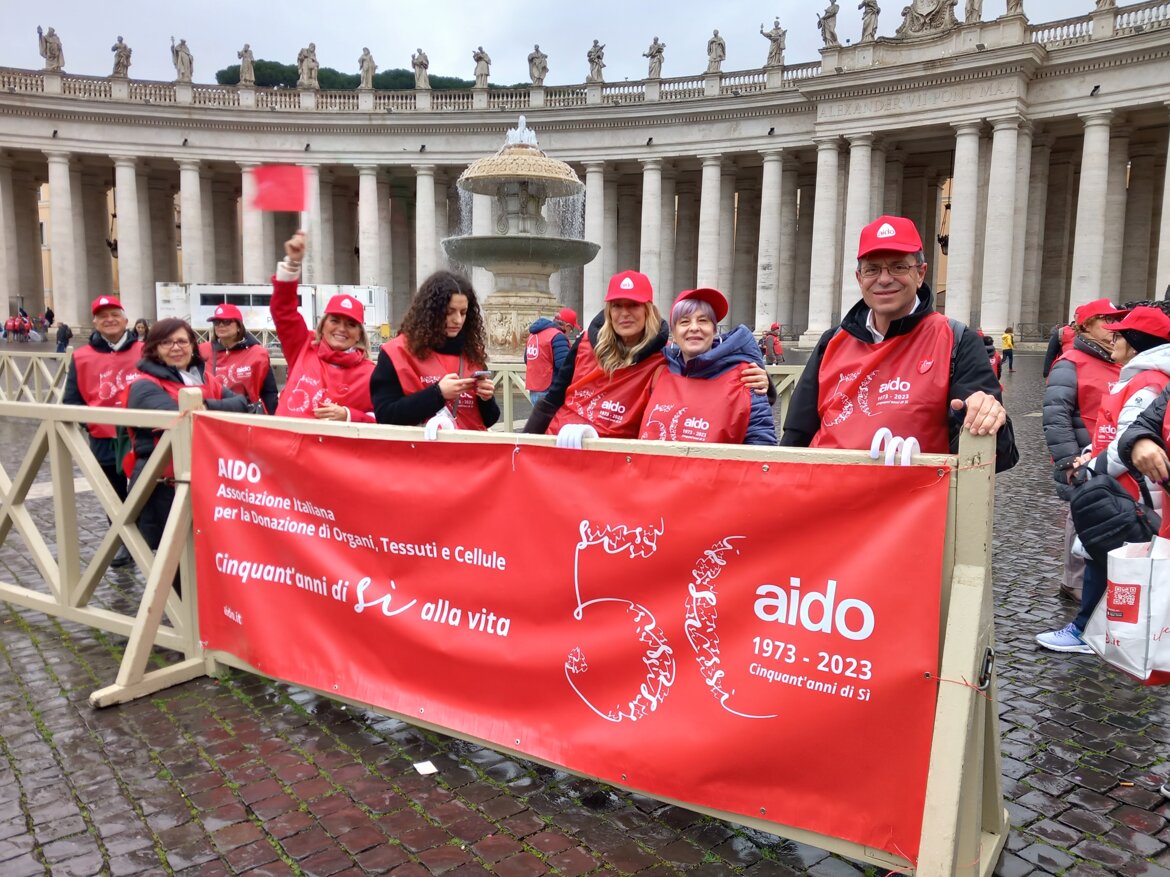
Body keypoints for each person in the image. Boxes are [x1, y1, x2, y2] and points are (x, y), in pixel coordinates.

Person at [780, 215, 1017, 471]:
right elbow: (796, 435)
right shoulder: (831, 341)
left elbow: (995, 457)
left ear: (920, 273)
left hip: (913, 493)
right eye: (872, 269)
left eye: (898, 267)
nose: (884, 279)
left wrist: (986, 416)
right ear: (859, 278)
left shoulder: (957, 340)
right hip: (827, 490)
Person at [1037, 306, 1170, 653]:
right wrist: (1088, 454)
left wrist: (1089, 470)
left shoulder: (1146, 383)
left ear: (1136, 342)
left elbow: (1126, 444)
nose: (1113, 338)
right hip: (1124, 485)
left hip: (1128, 490)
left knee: (1106, 557)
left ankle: (1090, 632)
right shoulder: (1142, 377)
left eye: (1120, 334)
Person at [524, 270, 769, 439]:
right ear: (609, 311)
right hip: (558, 444)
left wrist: (763, 385)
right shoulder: (586, 342)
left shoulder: (664, 360)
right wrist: (523, 444)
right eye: (617, 306)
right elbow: (553, 398)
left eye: (633, 305)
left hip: (611, 462)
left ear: (647, 310)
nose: (625, 313)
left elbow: (702, 373)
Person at [126, 318, 249, 581]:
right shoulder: (144, 385)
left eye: (182, 341)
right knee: (176, 565)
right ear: (154, 348)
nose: (176, 347)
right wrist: (211, 408)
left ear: (193, 346)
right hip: (164, 485)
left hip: (207, 481)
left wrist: (207, 407)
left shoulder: (204, 378)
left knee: (210, 557)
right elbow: (182, 418)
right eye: (166, 342)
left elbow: (242, 403)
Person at [1043, 298, 1127, 601]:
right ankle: (1074, 582)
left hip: (1110, 456)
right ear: (1086, 326)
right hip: (1082, 456)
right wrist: (1069, 461)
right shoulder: (1070, 363)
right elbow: (1056, 416)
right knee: (1081, 517)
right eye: (1106, 320)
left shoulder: (1117, 361)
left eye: (1116, 320)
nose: (1113, 327)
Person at [62, 295, 144, 567]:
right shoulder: (81, 356)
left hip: (143, 434)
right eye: (103, 316)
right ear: (95, 322)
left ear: (125, 319)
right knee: (113, 494)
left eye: (115, 314)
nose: (110, 320)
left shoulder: (146, 350)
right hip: (104, 438)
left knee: (148, 488)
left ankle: (150, 539)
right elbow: (72, 401)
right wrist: (94, 423)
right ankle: (123, 541)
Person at [639, 288, 777, 446]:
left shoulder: (747, 378)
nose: (694, 327)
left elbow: (761, 445)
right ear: (674, 334)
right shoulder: (658, 368)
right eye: (684, 322)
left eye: (703, 320)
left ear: (714, 330)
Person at [370, 271, 499, 429]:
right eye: (449, 312)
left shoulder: (472, 352)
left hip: (468, 444)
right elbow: (385, 415)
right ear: (430, 312)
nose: (458, 320)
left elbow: (489, 419)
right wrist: (438, 394)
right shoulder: (396, 352)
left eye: (463, 312)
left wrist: (486, 399)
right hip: (419, 444)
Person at [273, 232, 375, 422]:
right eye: (335, 321)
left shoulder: (370, 374)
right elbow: (283, 311)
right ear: (323, 325)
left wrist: (348, 415)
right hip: (283, 439)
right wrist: (292, 264)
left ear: (359, 334)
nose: (341, 329)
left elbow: (385, 417)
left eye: (351, 324)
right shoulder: (303, 346)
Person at [198, 303, 278, 414]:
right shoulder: (202, 350)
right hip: (210, 412)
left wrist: (273, 418)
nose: (220, 325)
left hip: (245, 414)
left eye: (226, 321)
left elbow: (269, 392)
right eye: (216, 322)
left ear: (239, 326)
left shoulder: (257, 353)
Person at [526, 307, 579, 408]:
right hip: (550, 390)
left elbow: (526, 359)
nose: (569, 332)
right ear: (567, 326)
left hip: (533, 389)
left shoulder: (533, 335)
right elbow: (564, 365)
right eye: (571, 329)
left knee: (539, 418)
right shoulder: (558, 336)